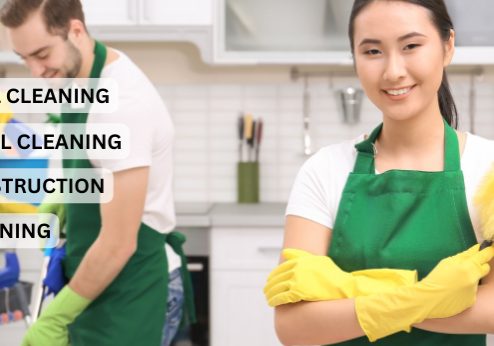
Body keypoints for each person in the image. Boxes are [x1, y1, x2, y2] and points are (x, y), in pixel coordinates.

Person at [264, 0, 494, 345]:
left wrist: (360, 295)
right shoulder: (324, 170)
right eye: (372, 51)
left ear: (447, 47)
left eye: (411, 46)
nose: (393, 71)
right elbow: (295, 326)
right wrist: (428, 294)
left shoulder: (488, 166)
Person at [0, 1, 195, 345]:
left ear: (75, 31)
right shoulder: (82, 73)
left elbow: (119, 243)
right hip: (97, 281)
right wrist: (67, 193)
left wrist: (56, 317)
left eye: (42, 54)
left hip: (133, 288)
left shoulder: (120, 106)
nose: (35, 72)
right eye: (24, 58)